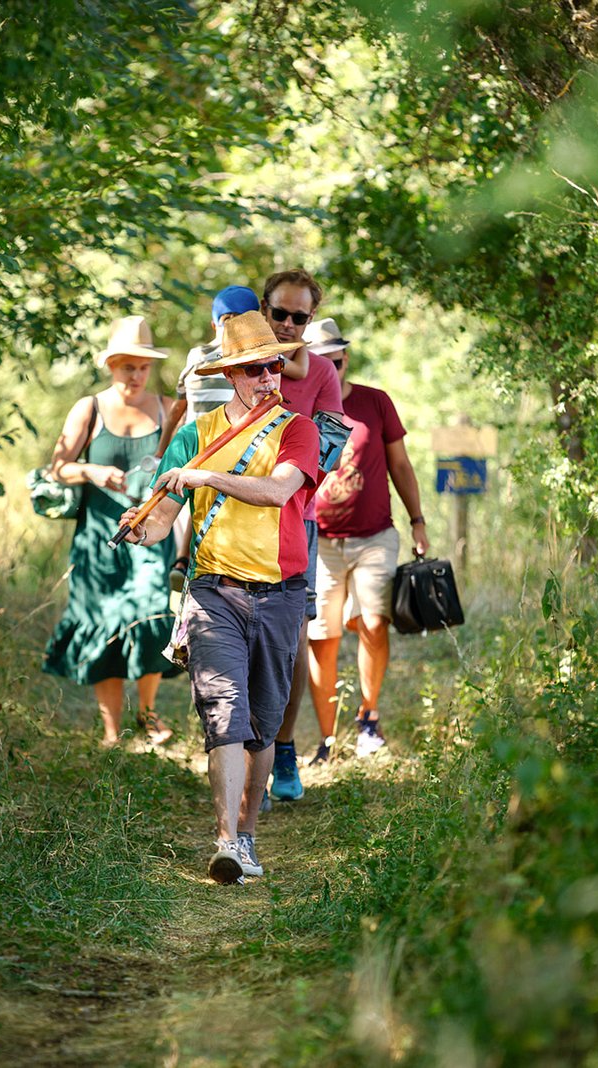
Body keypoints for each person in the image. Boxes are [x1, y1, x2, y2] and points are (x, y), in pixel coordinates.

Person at [117, 310, 318, 884]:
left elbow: (280, 491)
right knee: (224, 717)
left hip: (280, 596)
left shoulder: (296, 430)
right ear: (231, 375)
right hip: (213, 596)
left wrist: (208, 479)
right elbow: (163, 520)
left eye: (274, 367)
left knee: (260, 725)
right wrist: (142, 527)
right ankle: (227, 840)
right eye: (255, 369)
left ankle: (249, 835)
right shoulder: (194, 435)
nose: (268, 378)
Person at [42, 315, 179, 747]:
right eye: (127, 367)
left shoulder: (167, 408)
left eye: (143, 367)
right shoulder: (90, 408)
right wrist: (93, 471)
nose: (136, 376)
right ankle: (109, 730)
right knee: (102, 624)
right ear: (111, 365)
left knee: (150, 616)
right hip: (98, 539)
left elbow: (182, 470)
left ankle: (148, 715)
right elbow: (57, 467)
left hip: (149, 537)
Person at [304, 317, 429, 758]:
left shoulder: (375, 403)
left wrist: (417, 520)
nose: (330, 371)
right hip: (318, 541)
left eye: (336, 362)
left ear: (346, 358)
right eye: (320, 363)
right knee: (323, 638)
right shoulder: (301, 406)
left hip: (375, 535)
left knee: (374, 623)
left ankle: (368, 718)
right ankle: (327, 738)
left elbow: (400, 465)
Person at [258, 269, 344, 804]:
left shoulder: (320, 376)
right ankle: (245, 752)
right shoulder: (232, 360)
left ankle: (282, 747)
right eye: (280, 313)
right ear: (263, 309)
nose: (288, 324)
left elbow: (329, 454)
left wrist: (283, 472)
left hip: (297, 522)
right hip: (227, 519)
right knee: (230, 639)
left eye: (300, 318)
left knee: (287, 643)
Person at [158, 285, 261, 592]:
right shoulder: (220, 356)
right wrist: (163, 448)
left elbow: (178, 406)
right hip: (209, 438)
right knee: (191, 494)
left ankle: (182, 559)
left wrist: (162, 448)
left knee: (188, 496)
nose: (234, 326)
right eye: (230, 319)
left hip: (213, 439)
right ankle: (182, 559)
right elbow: (179, 406)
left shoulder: (201, 356)